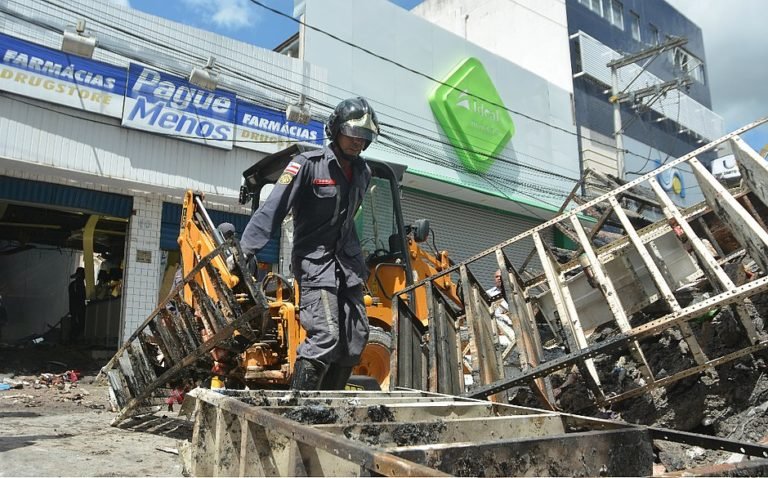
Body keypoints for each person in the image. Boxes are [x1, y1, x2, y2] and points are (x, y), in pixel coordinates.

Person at [240, 97, 379, 391]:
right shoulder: (307, 166)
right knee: (326, 334)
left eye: (364, 138)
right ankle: (300, 407)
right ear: (335, 130)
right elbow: (273, 208)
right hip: (315, 263)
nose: (357, 143)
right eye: (352, 135)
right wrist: (246, 251)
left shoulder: (364, 174)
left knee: (356, 337)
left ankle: (328, 407)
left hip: (348, 265)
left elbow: (347, 218)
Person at [68, 266, 87, 342]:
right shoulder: (77, 285)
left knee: (77, 324)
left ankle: (73, 340)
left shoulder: (75, 284)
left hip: (76, 308)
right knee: (78, 324)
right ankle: (73, 340)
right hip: (77, 309)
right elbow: (79, 297)